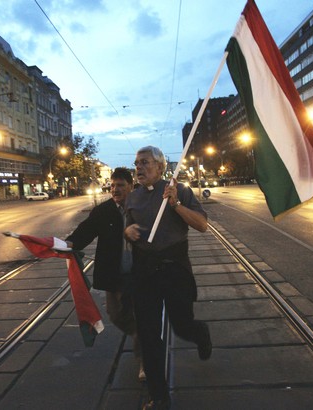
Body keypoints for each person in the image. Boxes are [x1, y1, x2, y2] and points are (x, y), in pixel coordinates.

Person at [124, 146, 212, 410]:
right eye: (137, 163)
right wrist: (127, 231)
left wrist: (175, 205)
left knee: (181, 325)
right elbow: (126, 227)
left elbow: (202, 225)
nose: (139, 167)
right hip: (144, 272)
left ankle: (200, 333)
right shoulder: (132, 197)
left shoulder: (179, 191)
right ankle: (159, 395)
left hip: (174, 268)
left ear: (161, 167)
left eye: (145, 163)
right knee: (149, 335)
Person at [64, 168, 145, 381]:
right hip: (114, 274)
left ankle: (145, 360)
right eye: (112, 185)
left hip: (140, 273)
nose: (115, 189)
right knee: (115, 314)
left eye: (120, 185)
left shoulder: (142, 207)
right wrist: (67, 244)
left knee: (141, 316)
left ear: (131, 186)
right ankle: (141, 336)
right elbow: (85, 231)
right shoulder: (103, 211)